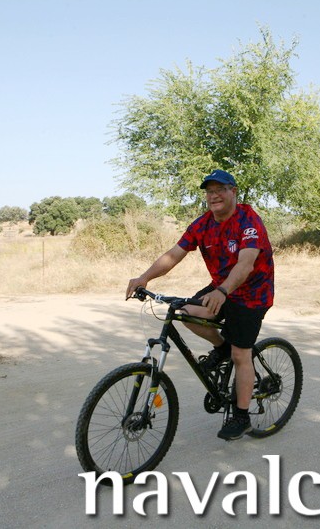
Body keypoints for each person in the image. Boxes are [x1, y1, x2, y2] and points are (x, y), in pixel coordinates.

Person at [126, 169, 274, 441]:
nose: (214, 195)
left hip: (252, 293)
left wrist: (223, 290)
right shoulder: (203, 224)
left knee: (241, 355)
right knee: (186, 312)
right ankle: (221, 347)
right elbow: (174, 254)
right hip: (221, 288)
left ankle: (241, 416)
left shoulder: (248, 220)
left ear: (233, 192)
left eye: (220, 189)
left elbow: (246, 263)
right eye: (209, 191)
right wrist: (144, 277)